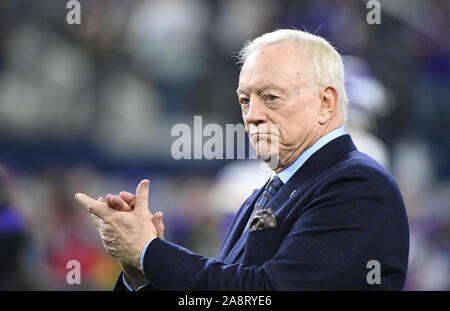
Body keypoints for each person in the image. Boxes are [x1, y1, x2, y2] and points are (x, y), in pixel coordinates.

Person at [75, 29, 409, 290]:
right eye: (245, 100)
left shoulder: (358, 185)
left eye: (270, 97)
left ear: (326, 103)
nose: (253, 115)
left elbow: (265, 292)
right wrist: (141, 272)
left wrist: (151, 253)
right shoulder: (267, 191)